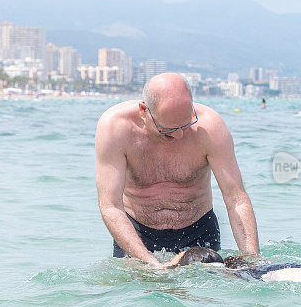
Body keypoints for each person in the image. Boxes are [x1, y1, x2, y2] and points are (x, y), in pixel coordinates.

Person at [95, 73, 260, 269]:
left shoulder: (210, 126)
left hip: (199, 232)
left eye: (186, 124)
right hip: (137, 233)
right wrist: (153, 266)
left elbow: (236, 199)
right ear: (143, 110)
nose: (180, 135)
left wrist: (252, 259)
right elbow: (110, 207)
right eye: (168, 130)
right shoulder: (115, 127)